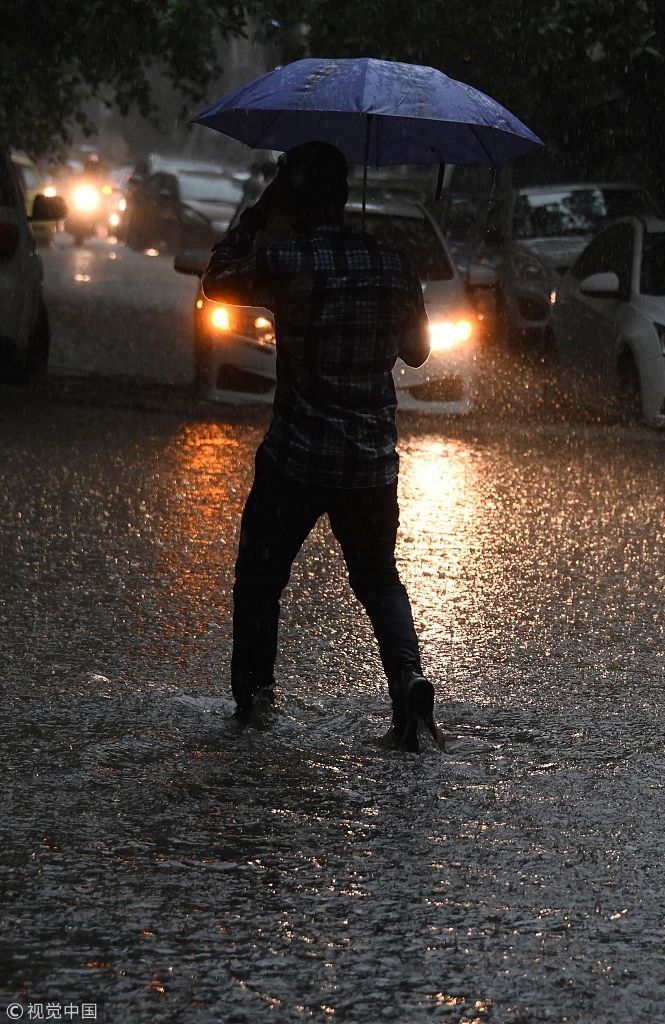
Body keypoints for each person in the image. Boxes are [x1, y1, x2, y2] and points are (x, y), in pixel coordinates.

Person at [202, 141, 440, 753]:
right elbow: (418, 353)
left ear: (296, 200)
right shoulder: (394, 263)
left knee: (261, 577)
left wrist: (259, 212)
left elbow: (216, 281)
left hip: (296, 458)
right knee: (379, 578)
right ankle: (407, 679)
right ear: (342, 195)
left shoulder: (287, 260)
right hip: (369, 463)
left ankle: (255, 703)